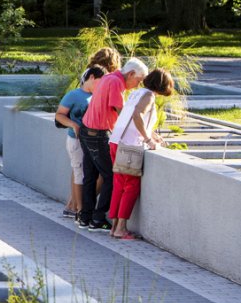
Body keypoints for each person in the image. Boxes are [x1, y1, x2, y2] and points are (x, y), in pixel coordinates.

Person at [77, 57, 149, 231]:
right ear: (131, 74)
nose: (138, 85)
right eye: (138, 80)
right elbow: (122, 112)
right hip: (98, 134)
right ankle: (98, 219)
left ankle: (85, 218)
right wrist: (144, 133)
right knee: (111, 175)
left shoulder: (109, 77)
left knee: (90, 176)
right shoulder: (116, 82)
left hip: (86, 130)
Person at [108, 69, 175, 239]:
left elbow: (132, 118)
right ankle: (121, 228)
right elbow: (137, 115)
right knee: (131, 186)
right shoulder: (149, 96)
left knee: (118, 185)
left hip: (116, 141)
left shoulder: (136, 93)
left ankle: (114, 226)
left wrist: (151, 133)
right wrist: (148, 139)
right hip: (129, 146)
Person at [55, 65, 106, 218]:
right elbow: (59, 115)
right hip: (76, 140)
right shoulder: (73, 95)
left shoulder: (97, 95)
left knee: (94, 174)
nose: (101, 86)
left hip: (93, 141)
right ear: (91, 77)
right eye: (100, 81)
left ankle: (84, 208)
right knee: (79, 173)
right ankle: (80, 210)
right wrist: (73, 125)